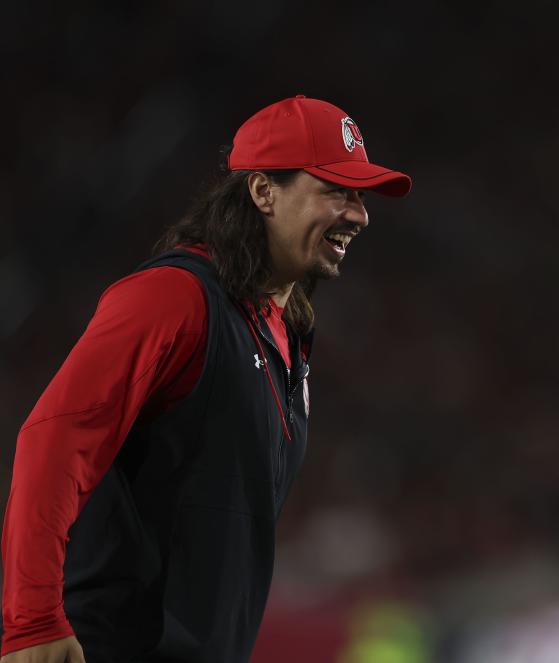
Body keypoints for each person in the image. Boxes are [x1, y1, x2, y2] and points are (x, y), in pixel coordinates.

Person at [0, 95, 412, 663]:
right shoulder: (174, 298)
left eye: (361, 196)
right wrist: (32, 622)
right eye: (335, 190)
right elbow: (51, 443)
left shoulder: (285, 329)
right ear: (264, 191)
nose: (359, 214)